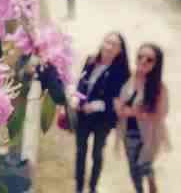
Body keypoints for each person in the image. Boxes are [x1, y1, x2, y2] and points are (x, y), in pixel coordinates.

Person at [73, 32, 130, 193]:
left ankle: (92, 187)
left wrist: (95, 105)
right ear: (102, 42)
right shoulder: (91, 60)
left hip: (103, 120)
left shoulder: (122, 73)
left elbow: (117, 99)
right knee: (80, 152)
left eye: (115, 44)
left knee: (97, 153)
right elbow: (81, 84)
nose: (109, 46)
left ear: (120, 50)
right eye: (107, 42)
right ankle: (78, 187)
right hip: (83, 115)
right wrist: (77, 98)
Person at [114, 44, 170, 193]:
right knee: (133, 168)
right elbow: (118, 99)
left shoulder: (159, 87)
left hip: (149, 135)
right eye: (140, 57)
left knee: (144, 164)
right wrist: (118, 107)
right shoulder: (128, 78)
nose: (143, 61)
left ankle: (151, 181)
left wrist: (132, 113)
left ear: (156, 64)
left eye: (149, 59)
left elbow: (160, 115)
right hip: (128, 132)